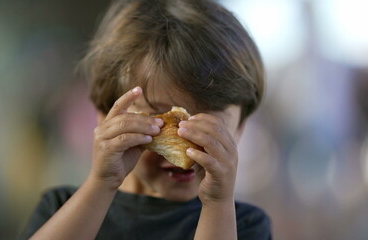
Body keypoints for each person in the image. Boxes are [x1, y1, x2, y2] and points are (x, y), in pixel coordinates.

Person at [23, 0, 271, 239]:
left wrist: (218, 203)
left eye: (209, 125)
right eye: (160, 120)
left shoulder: (242, 225)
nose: (187, 141)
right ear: (106, 118)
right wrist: (102, 182)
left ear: (239, 128)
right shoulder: (61, 209)